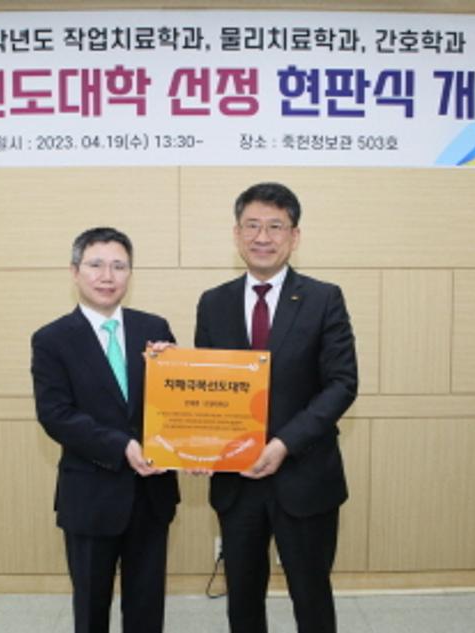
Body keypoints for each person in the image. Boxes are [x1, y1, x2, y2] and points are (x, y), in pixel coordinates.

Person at [194, 182, 358, 633]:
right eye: (251, 226)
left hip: (304, 475)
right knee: (243, 599)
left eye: (274, 226)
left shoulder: (324, 298)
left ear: (294, 236)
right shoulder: (213, 302)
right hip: (237, 480)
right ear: (236, 233)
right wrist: (194, 439)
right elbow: (207, 386)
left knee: (311, 596)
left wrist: (284, 443)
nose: (262, 237)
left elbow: (342, 384)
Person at [31, 227, 179, 633]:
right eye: (96, 265)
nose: (107, 276)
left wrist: (173, 367)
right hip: (90, 496)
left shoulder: (155, 328)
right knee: (91, 610)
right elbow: (55, 414)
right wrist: (122, 446)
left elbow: (176, 405)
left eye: (119, 266)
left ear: (130, 273)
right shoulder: (52, 339)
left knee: (146, 609)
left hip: (151, 494)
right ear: (75, 271)